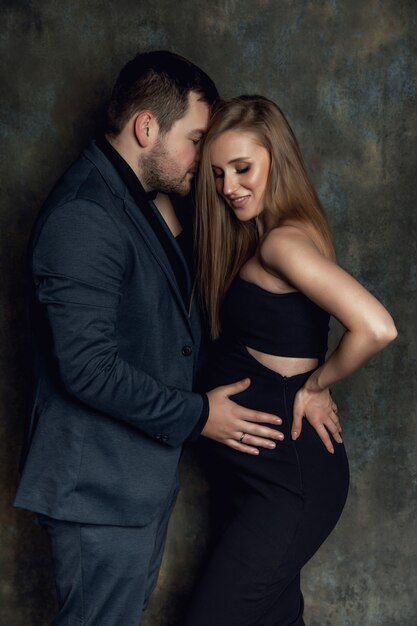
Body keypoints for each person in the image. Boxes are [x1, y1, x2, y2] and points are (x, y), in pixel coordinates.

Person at [14, 55, 284, 626]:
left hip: (131, 483)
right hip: (97, 490)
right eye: (195, 139)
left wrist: (307, 383)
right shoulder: (85, 215)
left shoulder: (140, 197)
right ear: (145, 128)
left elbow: (174, 322)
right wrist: (197, 415)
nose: (204, 157)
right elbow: (87, 369)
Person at [185, 95, 398, 626]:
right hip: (263, 477)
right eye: (217, 173)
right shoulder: (270, 235)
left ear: (275, 160)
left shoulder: (283, 242)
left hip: (289, 480)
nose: (228, 187)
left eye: (243, 168)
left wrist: (316, 384)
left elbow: (376, 327)